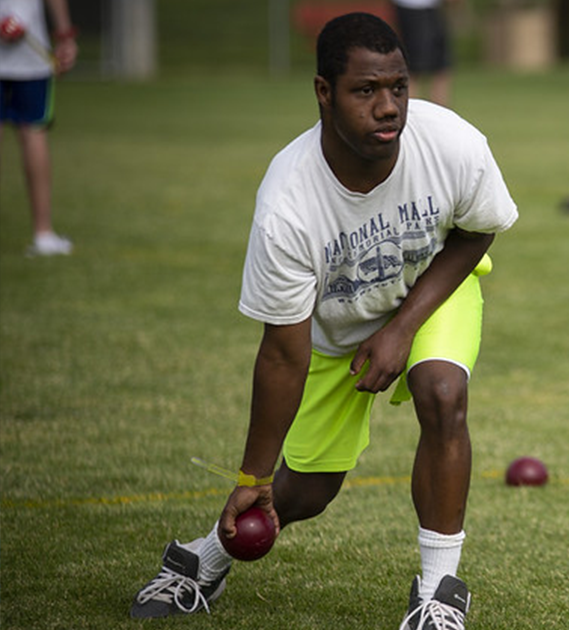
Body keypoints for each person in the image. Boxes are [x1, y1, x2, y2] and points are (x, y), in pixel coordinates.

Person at [129, 13, 518, 629]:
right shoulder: (288, 204)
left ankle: (439, 595)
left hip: (432, 291)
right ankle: (200, 559)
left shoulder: (452, 143)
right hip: (337, 333)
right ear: (322, 92)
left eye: (399, 86)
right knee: (306, 492)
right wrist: (253, 476)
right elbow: (283, 354)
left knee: (443, 393)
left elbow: (478, 229)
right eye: (366, 91)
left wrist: (403, 327)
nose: (388, 107)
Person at [0, 0, 77, 256]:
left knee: (34, 133)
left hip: (29, 53)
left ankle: (44, 234)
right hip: (30, 53)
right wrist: (65, 35)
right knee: (33, 133)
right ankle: (43, 234)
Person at [392, 0, 456, 107]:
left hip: (433, 7)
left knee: (442, 66)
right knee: (413, 68)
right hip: (412, 7)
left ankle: (440, 115)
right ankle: (410, 115)